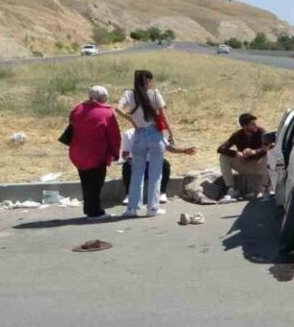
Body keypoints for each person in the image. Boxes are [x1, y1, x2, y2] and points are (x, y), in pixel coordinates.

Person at [116, 69, 174, 217]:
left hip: (139, 134)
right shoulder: (154, 93)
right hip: (154, 134)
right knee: (155, 174)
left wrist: (132, 120)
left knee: (137, 173)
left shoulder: (128, 94)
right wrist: (171, 135)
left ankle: (132, 208)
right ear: (148, 81)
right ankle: (152, 208)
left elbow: (118, 109)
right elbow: (163, 117)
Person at [68, 85, 121, 219]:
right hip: (97, 153)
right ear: (102, 98)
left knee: (85, 181)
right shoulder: (107, 113)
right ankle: (95, 211)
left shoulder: (77, 109)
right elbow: (114, 135)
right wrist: (115, 152)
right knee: (96, 183)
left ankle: (88, 208)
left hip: (78, 152)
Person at [121, 127, 197, 206]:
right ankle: (129, 195)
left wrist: (185, 150)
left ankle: (162, 193)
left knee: (165, 164)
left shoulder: (155, 131)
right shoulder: (128, 134)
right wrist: (129, 159)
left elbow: (169, 148)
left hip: (153, 164)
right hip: (137, 164)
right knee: (126, 166)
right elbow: (125, 153)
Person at [217, 113, 271, 200]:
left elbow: (269, 146)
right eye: (252, 124)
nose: (255, 126)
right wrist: (235, 153)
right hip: (244, 164)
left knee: (270, 155)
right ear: (245, 127)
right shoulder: (238, 135)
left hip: (259, 164)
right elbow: (220, 149)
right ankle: (231, 189)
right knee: (223, 157)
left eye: (255, 123)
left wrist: (254, 152)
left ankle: (264, 189)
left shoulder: (261, 132)